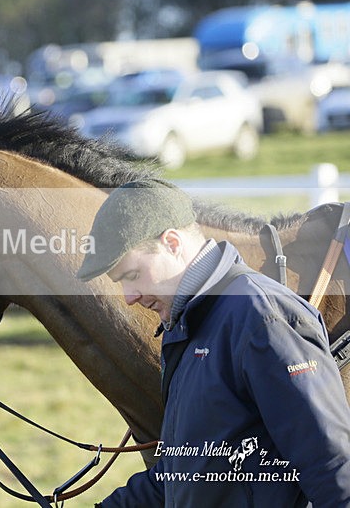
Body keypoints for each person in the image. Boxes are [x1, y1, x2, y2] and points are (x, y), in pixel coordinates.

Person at [77, 179, 350, 507]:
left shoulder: (263, 317)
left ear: (173, 243)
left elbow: (334, 470)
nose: (129, 297)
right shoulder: (184, 328)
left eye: (132, 275)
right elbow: (184, 471)